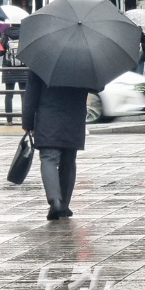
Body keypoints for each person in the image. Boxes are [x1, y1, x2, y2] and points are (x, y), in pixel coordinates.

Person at [22, 70, 89, 221]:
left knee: (48, 159)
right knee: (69, 161)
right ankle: (64, 205)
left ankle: (55, 201)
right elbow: (98, 87)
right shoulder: (83, 60)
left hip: (48, 116)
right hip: (74, 116)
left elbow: (31, 92)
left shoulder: (42, 59)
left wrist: (27, 122)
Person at [0, 25, 28, 125]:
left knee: (9, 96)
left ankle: (9, 120)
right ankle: (25, 120)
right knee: (24, 96)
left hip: (9, 69)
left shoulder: (6, 34)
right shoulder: (25, 34)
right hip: (23, 69)